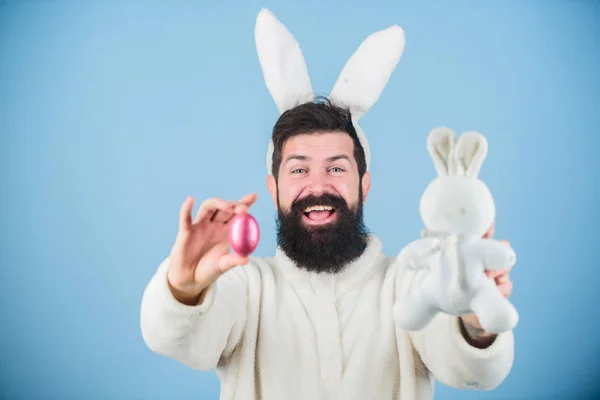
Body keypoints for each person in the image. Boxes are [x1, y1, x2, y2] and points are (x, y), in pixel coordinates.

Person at [139, 97, 516, 399]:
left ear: (363, 186)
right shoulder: (246, 286)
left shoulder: (409, 282)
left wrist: (475, 321)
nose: (317, 186)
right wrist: (184, 289)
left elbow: (474, 374)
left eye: (336, 168)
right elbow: (175, 341)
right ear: (274, 191)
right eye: (299, 170)